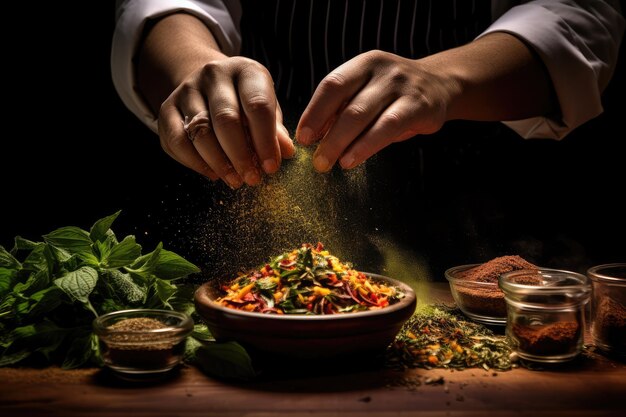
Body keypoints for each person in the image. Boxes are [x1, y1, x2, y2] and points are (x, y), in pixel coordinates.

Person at [112, 0, 624, 189]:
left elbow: (580, 12)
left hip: (461, 193)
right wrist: (197, 68)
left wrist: (444, 80)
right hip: (262, 166)